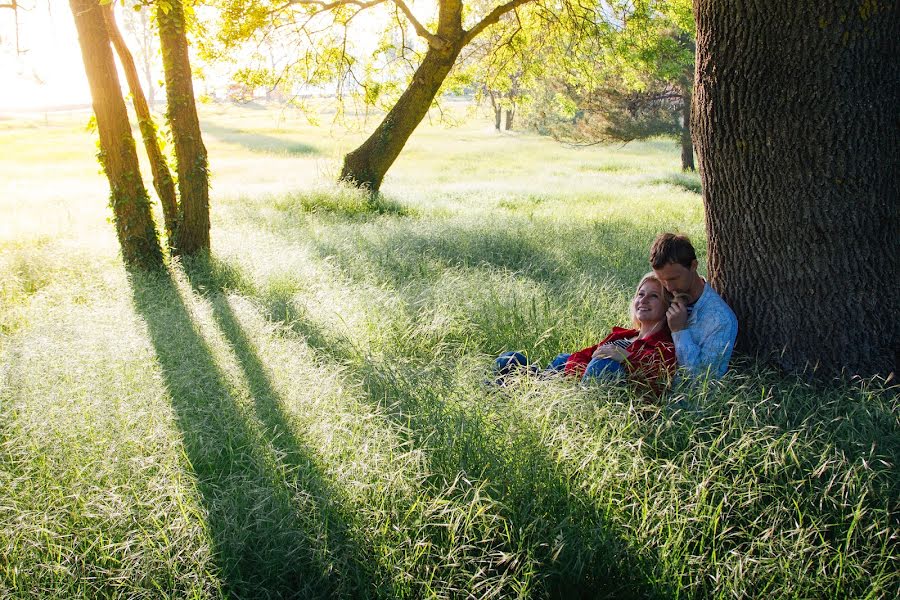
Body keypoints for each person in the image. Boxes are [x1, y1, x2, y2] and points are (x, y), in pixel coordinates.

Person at [495, 273, 677, 392]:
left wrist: (627, 359)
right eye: (640, 294)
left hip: (586, 395)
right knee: (508, 359)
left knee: (602, 366)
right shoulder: (622, 336)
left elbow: (658, 376)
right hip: (563, 380)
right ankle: (512, 391)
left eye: (654, 296)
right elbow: (582, 356)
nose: (643, 300)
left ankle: (510, 392)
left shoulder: (664, 345)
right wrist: (578, 372)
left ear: (667, 306)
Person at [649, 233, 738, 378]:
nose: (669, 287)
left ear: (693, 266)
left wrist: (680, 331)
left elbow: (704, 380)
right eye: (662, 280)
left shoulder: (721, 319)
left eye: (674, 278)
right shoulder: (661, 295)